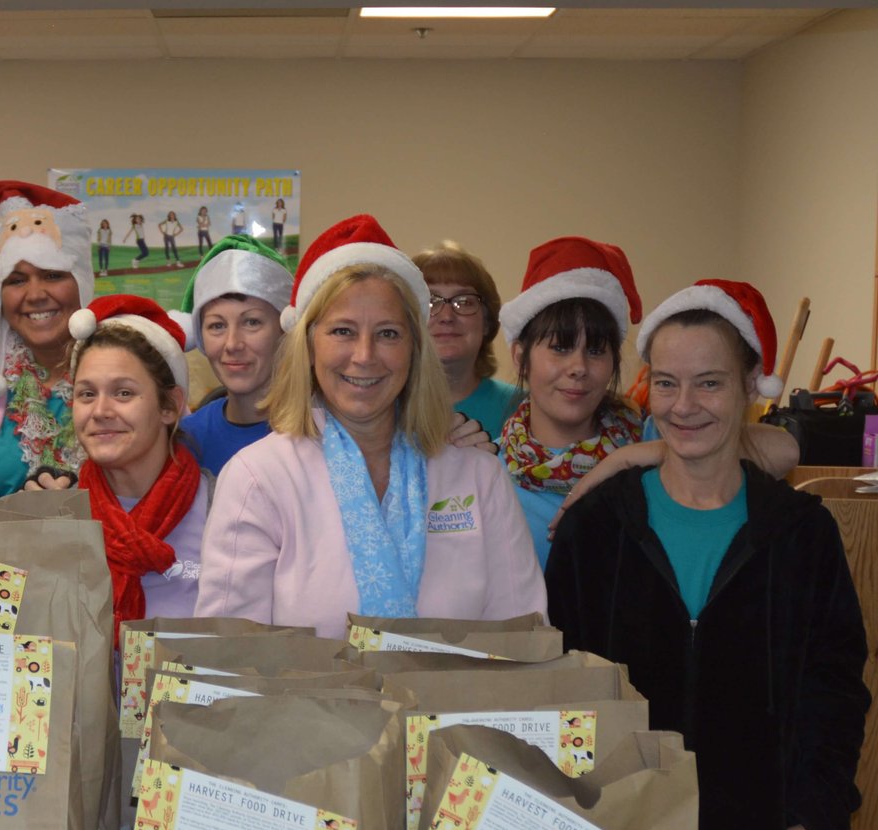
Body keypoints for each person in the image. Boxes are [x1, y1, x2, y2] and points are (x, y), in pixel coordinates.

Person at [546, 280, 866, 830]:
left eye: (711, 382)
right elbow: (558, 695)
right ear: (646, 390)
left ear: (750, 389)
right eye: (668, 383)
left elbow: (837, 691)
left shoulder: (799, 534)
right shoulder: (597, 528)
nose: (686, 406)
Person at [195, 214, 544, 637]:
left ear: (416, 349)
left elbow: (523, 638)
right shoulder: (258, 479)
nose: (364, 355)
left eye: (388, 334)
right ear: (307, 345)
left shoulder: (477, 475)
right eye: (343, 331)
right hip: (300, 705)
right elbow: (228, 657)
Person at [61, 296, 210, 639]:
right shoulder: (58, 519)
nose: (100, 411)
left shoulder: (222, 509)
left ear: (170, 406)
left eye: (123, 393)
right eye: (86, 394)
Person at [493, 236, 646, 568]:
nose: (579, 368)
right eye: (560, 347)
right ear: (521, 357)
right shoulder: (487, 469)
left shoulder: (649, 449)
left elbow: (780, 451)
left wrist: (643, 455)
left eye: (595, 350)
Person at [0, 180, 95, 499]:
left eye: (52, 275)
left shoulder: (126, 367)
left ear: (82, 282)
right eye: (17, 280)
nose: (35, 295)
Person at [177, 235, 291, 474]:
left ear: (284, 331)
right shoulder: (185, 440)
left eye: (251, 322)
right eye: (217, 326)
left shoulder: (318, 433)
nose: (232, 344)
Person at [412, 241, 518, 440]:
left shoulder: (522, 407)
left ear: (487, 321)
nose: (446, 316)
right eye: (430, 301)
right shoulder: (383, 408)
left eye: (464, 302)